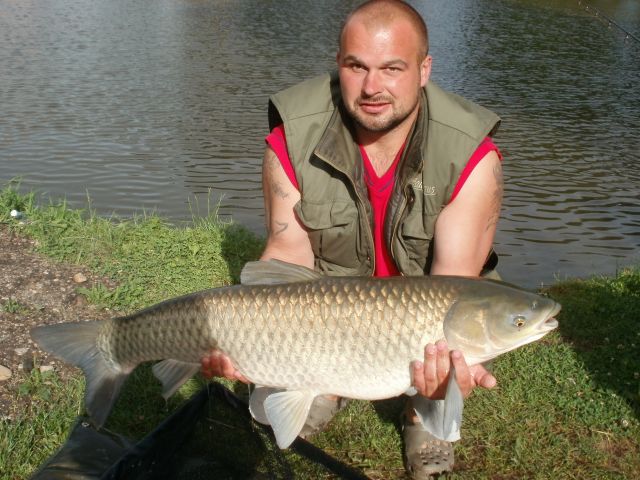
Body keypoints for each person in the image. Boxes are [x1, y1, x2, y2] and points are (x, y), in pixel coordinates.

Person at [202, 0, 502, 477]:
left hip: (417, 315)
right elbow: (286, 257)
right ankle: (327, 382)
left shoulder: (471, 154)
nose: (371, 88)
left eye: (392, 68)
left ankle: (419, 414)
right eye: (355, 66)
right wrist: (247, 339)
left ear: (424, 70)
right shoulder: (292, 137)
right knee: (265, 409)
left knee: (442, 369)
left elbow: (455, 283)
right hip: (328, 311)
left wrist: (446, 371)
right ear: (338, 65)